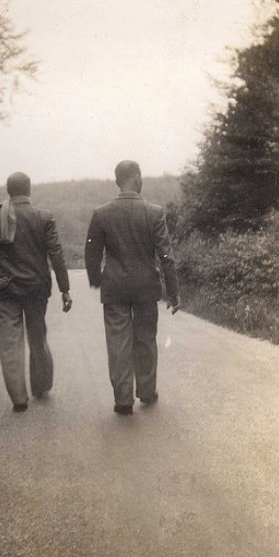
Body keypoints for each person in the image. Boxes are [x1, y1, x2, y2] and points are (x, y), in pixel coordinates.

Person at [85, 160, 180, 415]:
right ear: (137, 178)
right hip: (146, 287)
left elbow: (91, 251)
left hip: (114, 287)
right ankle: (147, 392)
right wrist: (173, 291)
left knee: (118, 342)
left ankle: (123, 400)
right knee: (146, 338)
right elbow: (166, 256)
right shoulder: (154, 212)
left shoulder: (101, 213)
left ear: (118, 181)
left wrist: (96, 279)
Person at [0, 171, 72, 412]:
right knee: (38, 337)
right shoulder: (44, 217)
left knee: (10, 344)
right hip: (37, 288)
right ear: (29, 190)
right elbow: (56, 255)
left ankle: (19, 398)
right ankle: (41, 386)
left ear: (9, 191)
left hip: (5, 289)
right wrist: (65, 289)